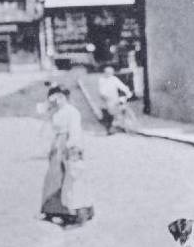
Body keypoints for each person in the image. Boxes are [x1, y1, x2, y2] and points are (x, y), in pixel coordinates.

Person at [39, 83, 94, 227]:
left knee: (70, 177)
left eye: (59, 96)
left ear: (65, 97)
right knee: (54, 176)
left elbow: (75, 131)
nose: (56, 99)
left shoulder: (72, 111)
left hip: (67, 144)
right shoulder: (56, 111)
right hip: (57, 144)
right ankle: (53, 210)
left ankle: (75, 211)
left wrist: (72, 147)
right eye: (54, 96)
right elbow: (42, 115)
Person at [98, 66, 133, 135]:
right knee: (107, 115)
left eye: (110, 73)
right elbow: (101, 90)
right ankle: (109, 129)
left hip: (113, 99)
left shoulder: (114, 79)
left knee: (118, 112)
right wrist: (104, 95)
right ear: (104, 73)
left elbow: (121, 86)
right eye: (107, 73)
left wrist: (127, 92)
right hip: (105, 100)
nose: (108, 74)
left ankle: (122, 126)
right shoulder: (101, 80)